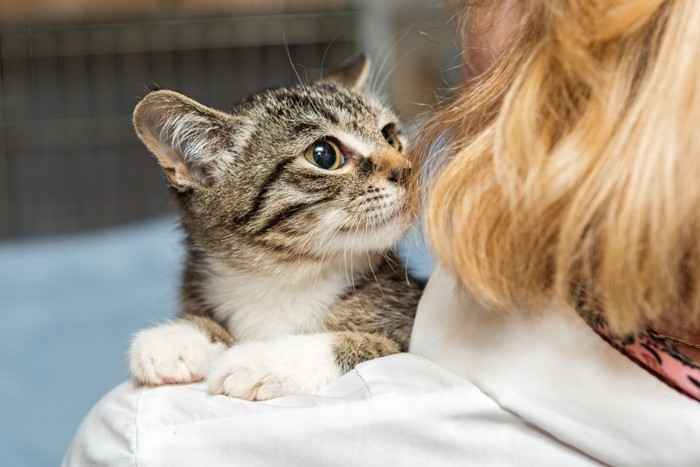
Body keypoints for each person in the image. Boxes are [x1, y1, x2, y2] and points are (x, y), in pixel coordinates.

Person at [63, 1, 700, 465]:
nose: (400, 166)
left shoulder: (147, 438)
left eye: (392, 139)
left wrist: (327, 356)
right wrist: (203, 331)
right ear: (202, 169)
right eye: (327, 156)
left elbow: (394, 341)